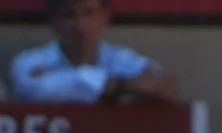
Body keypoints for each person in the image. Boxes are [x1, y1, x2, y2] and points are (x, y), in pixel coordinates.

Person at [9, 0, 179, 105]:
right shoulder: (28, 62)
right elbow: (41, 91)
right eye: (70, 15)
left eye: (89, 13)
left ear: (104, 17)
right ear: (53, 21)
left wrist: (113, 86)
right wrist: (124, 88)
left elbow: (165, 87)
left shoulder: (119, 58)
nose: (80, 26)